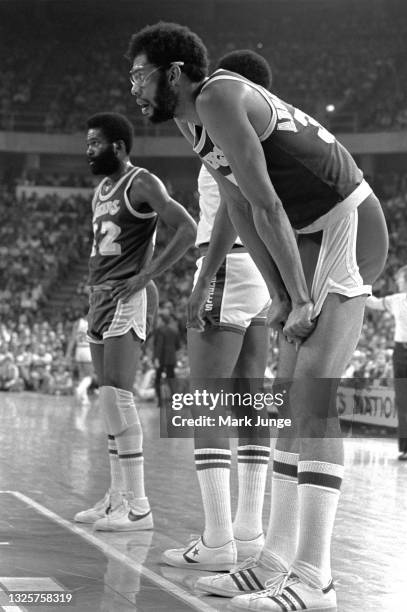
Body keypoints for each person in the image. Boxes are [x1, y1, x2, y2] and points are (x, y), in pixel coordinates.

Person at [126, 24, 388, 611]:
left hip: (347, 224)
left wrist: (297, 296)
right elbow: (239, 206)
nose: (134, 86)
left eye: (140, 73)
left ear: (174, 73)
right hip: (306, 239)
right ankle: (271, 558)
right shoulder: (190, 118)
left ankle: (314, 578)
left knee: (306, 397)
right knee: (285, 397)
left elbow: (267, 202)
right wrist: (280, 293)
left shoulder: (218, 95)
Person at [161, 50, 272, 572]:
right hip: (262, 270)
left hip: (226, 261)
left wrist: (203, 276)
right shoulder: (267, 131)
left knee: (204, 398)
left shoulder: (222, 125)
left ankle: (217, 539)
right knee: (251, 396)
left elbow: (233, 202)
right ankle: (249, 532)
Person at [73, 112, 196, 532]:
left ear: (118, 147)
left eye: (94, 143)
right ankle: (116, 499)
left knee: (117, 397)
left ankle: (140, 506)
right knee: (109, 404)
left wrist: (147, 276)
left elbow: (186, 227)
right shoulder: (99, 191)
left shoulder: (142, 182)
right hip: (100, 298)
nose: (88, 150)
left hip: (129, 296)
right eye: (87, 143)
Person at [366, 264, 407, 460]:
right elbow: (374, 303)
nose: (397, 283)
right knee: (403, 402)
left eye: (400, 280)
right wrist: (359, 288)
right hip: (401, 353)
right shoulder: (395, 300)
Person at [153, 312, 180, 407]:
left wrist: (156, 358)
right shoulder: (174, 331)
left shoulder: (159, 331)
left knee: (158, 379)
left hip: (161, 358)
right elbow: (178, 346)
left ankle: (160, 401)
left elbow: (159, 346)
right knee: (171, 379)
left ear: (162, 321)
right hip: (171, 358)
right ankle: (175, 399)